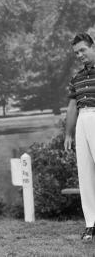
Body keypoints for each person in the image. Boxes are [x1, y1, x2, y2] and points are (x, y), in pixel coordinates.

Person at [64, 32, 95, 242]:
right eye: (77, 53)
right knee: (85, 174)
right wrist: (68, 133)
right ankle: (91, 224)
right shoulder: (77, 77)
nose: (80, 55)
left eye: (83, 50)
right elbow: (73, 106)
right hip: (83, 122)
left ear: (93, 47)